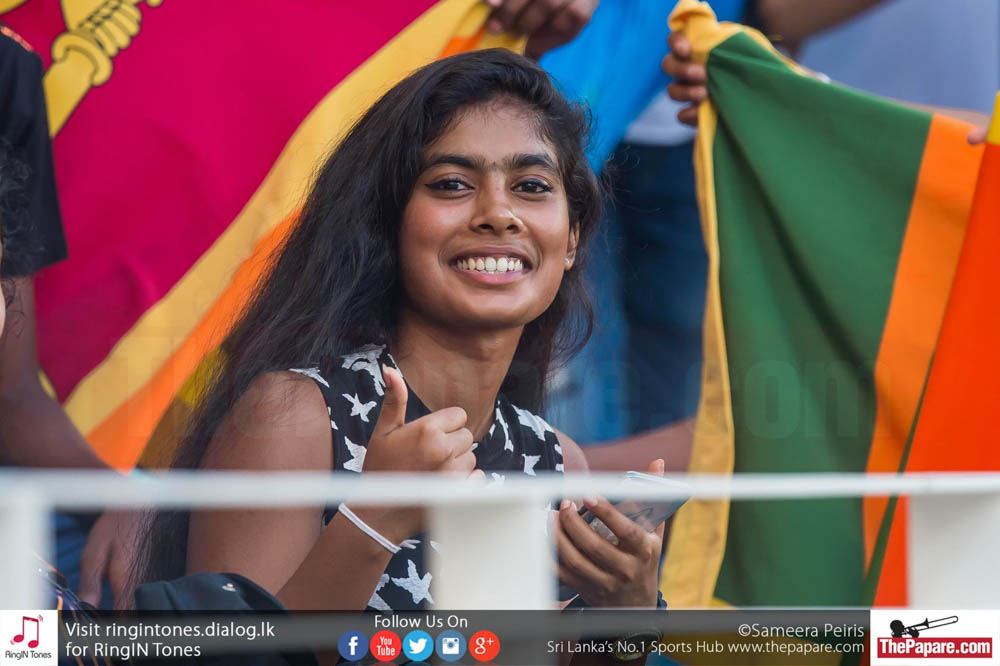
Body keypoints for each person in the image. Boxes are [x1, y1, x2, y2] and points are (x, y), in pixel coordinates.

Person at [140, 49, 666, 616]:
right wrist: (373, 521)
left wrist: (626, 615)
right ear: (387, 224)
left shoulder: (555, 462)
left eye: (532, 186)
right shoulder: (294, 418)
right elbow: (234, 654)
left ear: (572, 239)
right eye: (452, 183)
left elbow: (517, 655)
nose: (498, 213)